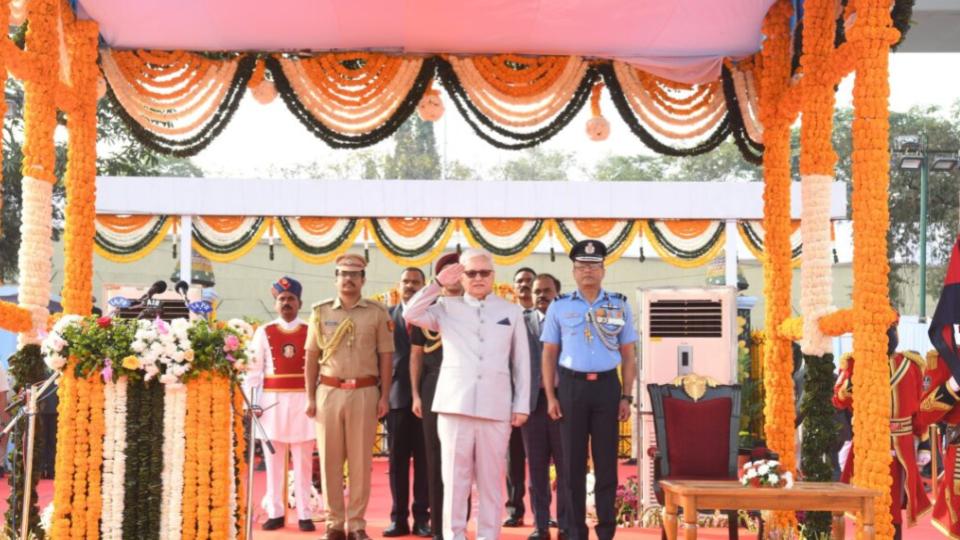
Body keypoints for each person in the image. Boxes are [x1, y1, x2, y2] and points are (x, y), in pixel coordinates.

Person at [404, 248, 531, 540]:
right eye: (470, 272)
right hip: (454, 406)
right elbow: (410, 313)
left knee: (490, 483)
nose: (477, 278)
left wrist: (521, 404)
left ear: (493, 276)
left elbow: (521, 362)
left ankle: (489, 536)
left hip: (495, 407)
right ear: (461, 276)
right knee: (454, 482)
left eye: (484, 272)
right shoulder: (446, 307)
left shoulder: (510, 311)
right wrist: (436, 283)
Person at [541, 240, 637, 540]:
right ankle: (574, 530)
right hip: (571, 388)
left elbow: (629, 355)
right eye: (582, 267)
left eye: (593, 266)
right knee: (571, 464)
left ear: (603, 270)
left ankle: (606, 530)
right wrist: (551, 396)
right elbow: (549, 353)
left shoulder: (619, 304)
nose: (588, 272)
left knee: (607, 463)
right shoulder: (560, 305)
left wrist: (627, 396)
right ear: (573, 271)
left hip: (608, 387)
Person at [306, 254, 394, 540]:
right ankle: (334, 524)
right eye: (343, 274)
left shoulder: (377, 313)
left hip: (365, 392)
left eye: (354, 275)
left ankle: (356, 524)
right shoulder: (320, 312)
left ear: (363, 280)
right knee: (330, 459)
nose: (348, 279)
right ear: (336, 278)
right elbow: (311, 358)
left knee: (359, 462)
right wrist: (309, 397)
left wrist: (385, 396)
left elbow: (386, 356)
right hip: (329, 391)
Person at [833, 324, 931, 539]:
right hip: (869, 442)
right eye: (884, 331)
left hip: (901, 444)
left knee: (895, 500)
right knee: (868, 496)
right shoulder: (856, 364)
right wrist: (851, 381)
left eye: (892, 331)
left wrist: (924, 441)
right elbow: (839, 400)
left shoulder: (911, 365)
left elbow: (920, 408)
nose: (889, 336)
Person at [245, 276, 317, 531]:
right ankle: (275, 512)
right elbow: (253, 370)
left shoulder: (311, 329)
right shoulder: (264, 331)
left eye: (291, 299)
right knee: (273, 461)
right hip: (271, 404)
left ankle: (305, 514)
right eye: (282, 299)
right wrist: (252, 403)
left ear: (300, 302)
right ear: (275, 303)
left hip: (303, 404)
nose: (286, 303)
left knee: (304, 460)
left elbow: (318, 368)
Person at [410, 253, 466, 540]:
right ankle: (439, 528)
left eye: (459, 271)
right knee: (435, 456)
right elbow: (416, 355)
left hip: (466, 386)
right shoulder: (429, 310)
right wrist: (416, 395)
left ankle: (460, 523)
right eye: (448, 272)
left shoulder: (475, 307)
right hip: (434, 384)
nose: (454, 277)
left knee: (464, 457)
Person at [385, 268, 431, 537]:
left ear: (424, 286)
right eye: (406, 281)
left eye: (416, 282)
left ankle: (422, 518)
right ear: (399, 285)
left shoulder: (432, 315)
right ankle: (398, 518)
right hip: (396, 398)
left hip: (428, 398)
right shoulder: (387, 316)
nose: (410, 286)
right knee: (397, 462)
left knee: (425, 462)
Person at [522, 273, 567, 540]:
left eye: (547, 290)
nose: (541, 295)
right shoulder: (521, 321)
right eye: (537, 291)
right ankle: (540, 525)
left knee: (566, 467)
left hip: (563, 403)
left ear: (557, 293)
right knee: (536, 467)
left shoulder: (568, 321)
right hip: (532, 403)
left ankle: (564, 524)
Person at [505, 267, 536, 527]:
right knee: (513, 460)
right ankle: (515, 510)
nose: (524, 285)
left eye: (529, 281)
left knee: (541, 461)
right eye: (519, 281)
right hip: (512, 399)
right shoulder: (505, 316)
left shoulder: (549, 317)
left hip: (541, 400)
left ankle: (544, 514)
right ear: (514, 287)